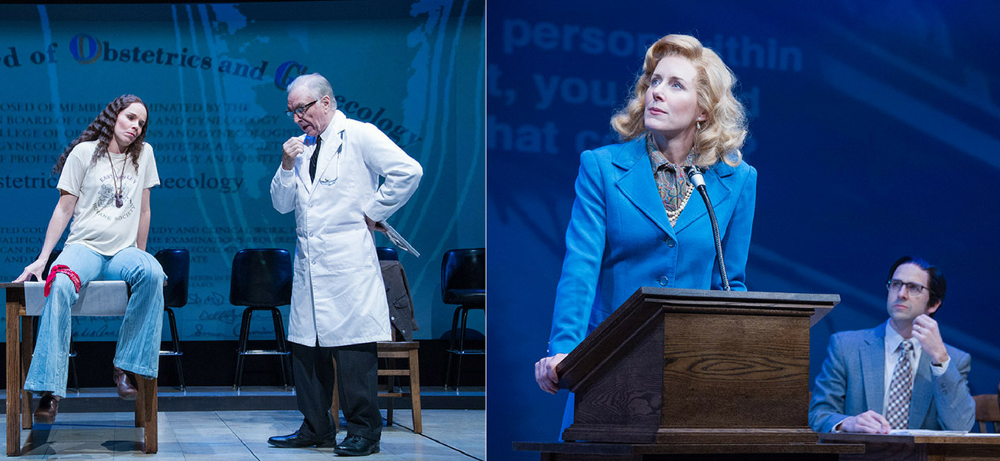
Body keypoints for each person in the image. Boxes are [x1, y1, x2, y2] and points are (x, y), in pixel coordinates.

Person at [532, 34, 756, 429]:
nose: (657, 92)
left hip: (692, 368)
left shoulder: (738, 179)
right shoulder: (602, 167)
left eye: (676, 85)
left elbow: (729, 283)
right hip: (612, 360)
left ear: (703, 109)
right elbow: (581, 267)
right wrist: (565, 350)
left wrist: (735, 362)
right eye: (654, 81)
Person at [267, 73, 422, 456]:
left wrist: (374, 211)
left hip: (347, 264)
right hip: (310, 267)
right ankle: (316, 427)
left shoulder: (359, 135)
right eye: (291, 112)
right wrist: (286, 165)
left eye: (301, 109)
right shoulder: (302, 147)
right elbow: (281, 204)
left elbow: (408, 171)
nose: (297, 118)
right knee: (307, 352)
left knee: (353, 354)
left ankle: (364, 432)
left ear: (325, 102)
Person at [13, 94, 165, 424]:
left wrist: (140, 254)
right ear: (113, 116)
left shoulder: (145, 155)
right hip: (85, 247)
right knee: (60, 283)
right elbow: (64, 208)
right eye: (130, 118)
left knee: (153, 273)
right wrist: (42, 259)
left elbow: (144, 210)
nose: (136, 127)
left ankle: (125, 367)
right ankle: (50, 391)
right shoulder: (84, 153)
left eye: (141, 123)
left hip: (123, 252)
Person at [809, 256, 975, 433]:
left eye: (913, 288)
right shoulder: (846, 347)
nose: (901, 294)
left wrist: (940, 359)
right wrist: (848, 423)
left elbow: (961, 427)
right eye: (896, 284)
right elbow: (818, 415)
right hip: (863, 450)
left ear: (933, 304)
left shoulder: (954, 360)